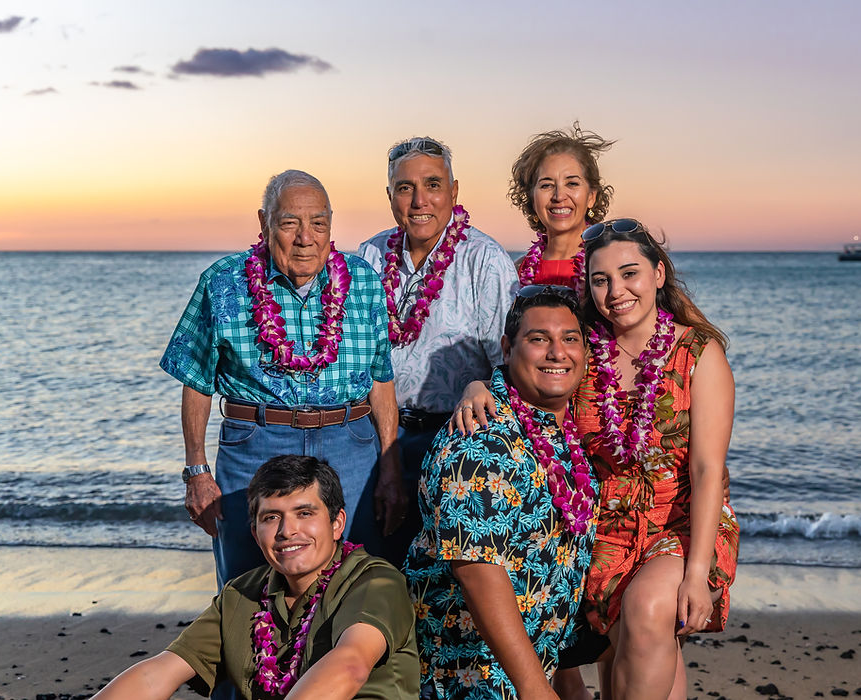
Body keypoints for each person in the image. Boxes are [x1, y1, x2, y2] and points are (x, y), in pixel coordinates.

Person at [452, 220, 739, 700]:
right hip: (601, 526)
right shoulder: (585, 347)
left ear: (659, 275)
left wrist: (696, 571)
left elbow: (708, 469)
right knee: (630, 647)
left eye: (630, 274)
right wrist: (477, 385)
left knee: (649, 607)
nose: (616, 291)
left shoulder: (697, 354)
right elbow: (531, 375)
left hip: (682, 523)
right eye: (601, 280)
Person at [160, 170, 402, 590]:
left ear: (331, 224)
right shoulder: (223, 282)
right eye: (290, 223)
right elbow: (196, 378)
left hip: (351, 445)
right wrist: (196, 471)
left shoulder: (364, 281)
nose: (306, 237)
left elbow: (381, 381)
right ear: (264, 222)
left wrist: (390, 465)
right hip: (255, 442)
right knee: (246, 583)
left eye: (319, 223)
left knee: (359, 581)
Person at [91, 455, 419, 700]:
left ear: (337, 523)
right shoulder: (242, 595)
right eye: (271, 517)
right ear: (255, 531)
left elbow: (350, 665)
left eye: (304, 514)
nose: (287, 531)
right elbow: (157, 673)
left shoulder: (375, 581)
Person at [405, 285, 598, 699]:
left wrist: (564, 679)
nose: (557, 353)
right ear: (508, 348)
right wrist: (533, 688)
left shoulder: (557, 426)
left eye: (570, 339)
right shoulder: (482, 441)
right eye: (538, 339)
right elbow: (477, 571)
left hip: (528, 667)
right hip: (470, 676)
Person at [357, 137, 518, 566]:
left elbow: (511, 370)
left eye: (432, 184)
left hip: (456, 440)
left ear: (454, 191)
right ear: (389, 195)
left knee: (443, 578)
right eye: (405, 187)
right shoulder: (369, 257)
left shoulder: (485, 261)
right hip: (374, 439)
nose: (419, 200)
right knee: (374, 568)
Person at [509, 124, 614, 289]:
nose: (559, 196)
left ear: (591, 197)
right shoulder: (515, 273)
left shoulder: (610, 265)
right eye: (546, 185)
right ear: (531, 198)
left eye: (572, 183)